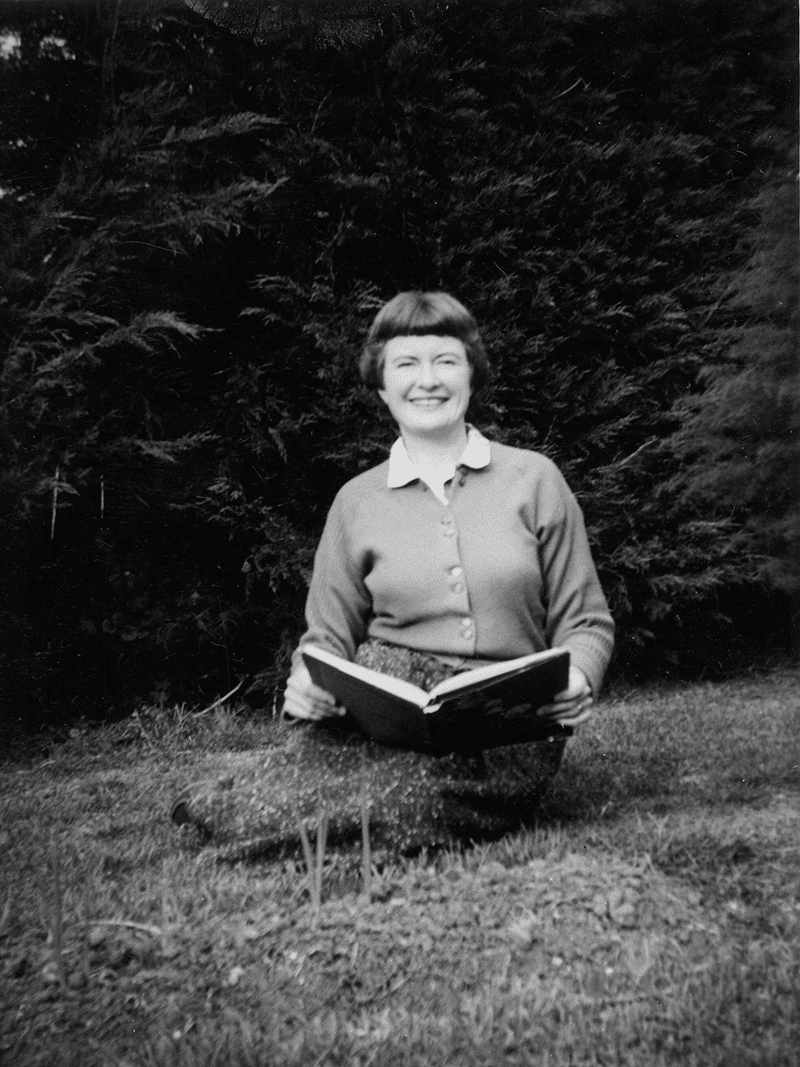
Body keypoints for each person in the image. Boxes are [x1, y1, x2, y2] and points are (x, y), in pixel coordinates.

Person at [282, 291, 614, 738]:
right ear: (381, 385)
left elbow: (586, 622)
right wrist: (307, 681)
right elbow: (325, 640)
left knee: (366, 806)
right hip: (383, 721)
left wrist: (578, 677)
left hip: (507, 722)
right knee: (261, 800)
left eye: (446, 361)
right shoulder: (355, 501)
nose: (428, 380)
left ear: (471, 375)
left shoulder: (536, 480)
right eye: (406, 364)